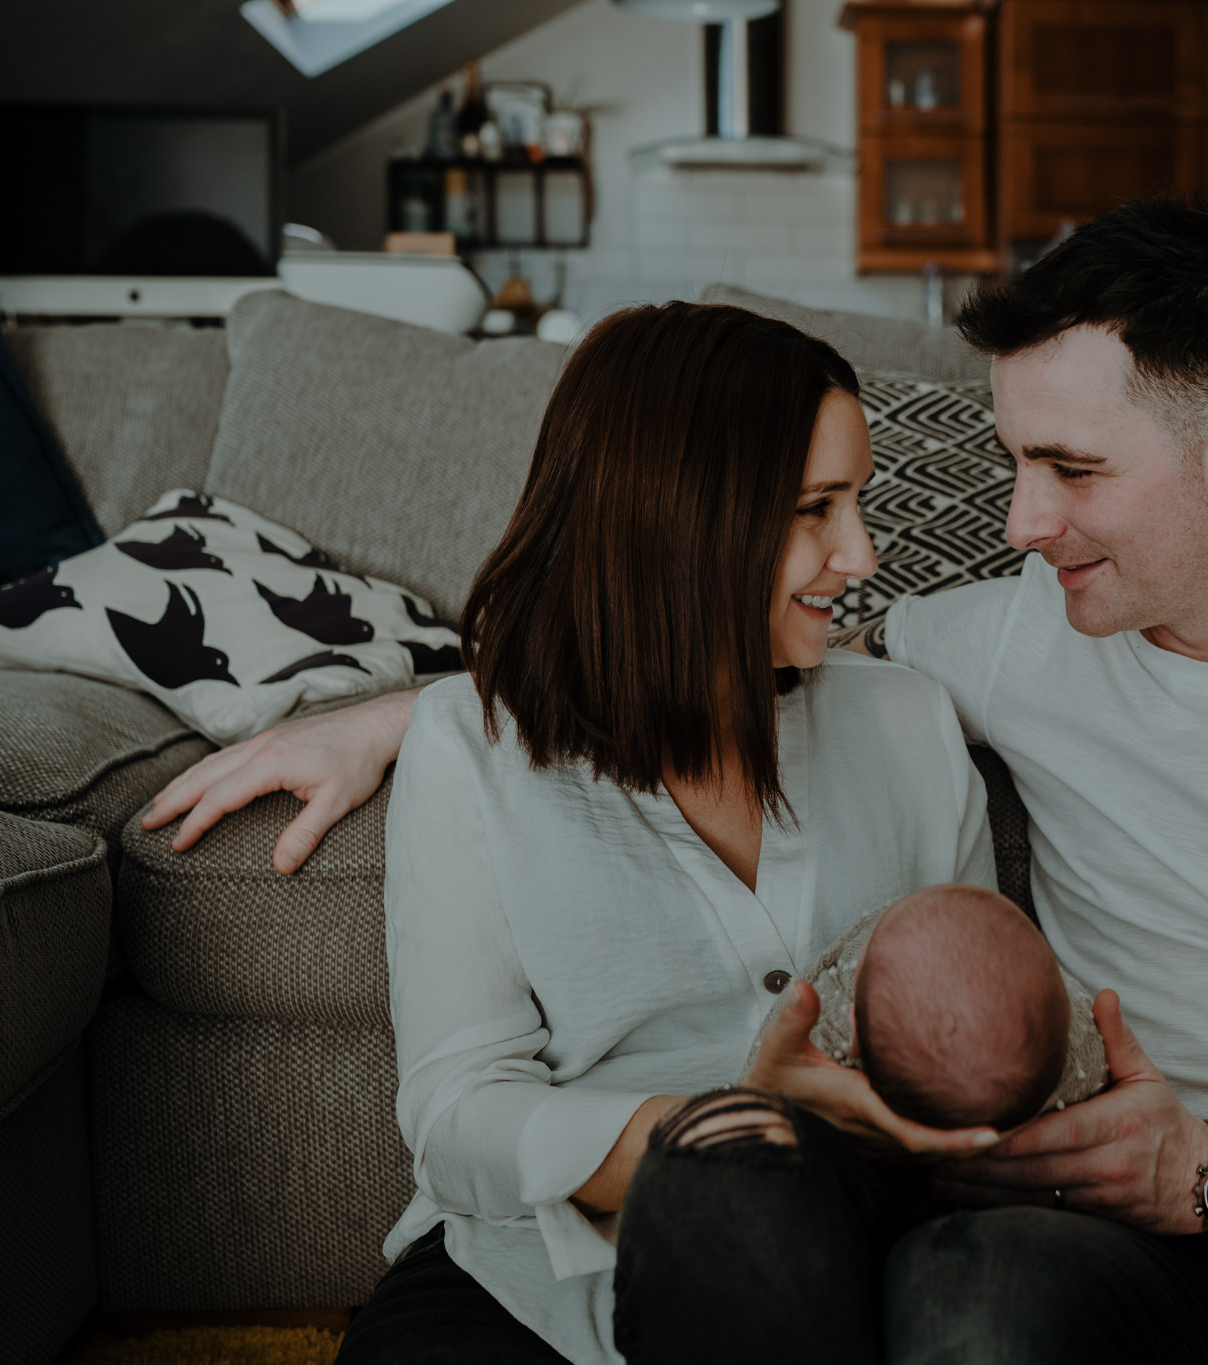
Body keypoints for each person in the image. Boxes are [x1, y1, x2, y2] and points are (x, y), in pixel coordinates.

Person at [151, 198, 1208, 1363]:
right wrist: (408, 714)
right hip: (1119, 1234)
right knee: (973, 1304)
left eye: (1071, 472)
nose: (1015, 524)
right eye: (1014, 463)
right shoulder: (1006, 637)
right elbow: (678, 626)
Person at [328, 301, 1007, 1365]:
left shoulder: (907, 724)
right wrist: (720, 1131)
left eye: (857, 501)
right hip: (539, 1262)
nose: (862, 553)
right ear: (679, 517)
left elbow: (984, 1020)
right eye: (813, 509)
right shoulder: (470, 746)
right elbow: (460, 1120)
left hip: (850, 1229)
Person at [742, 883, 1107, 1131]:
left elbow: (757, 1086)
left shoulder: (825, 1042)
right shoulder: (1070, 1067)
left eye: (856, 972)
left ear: (854, 1033)